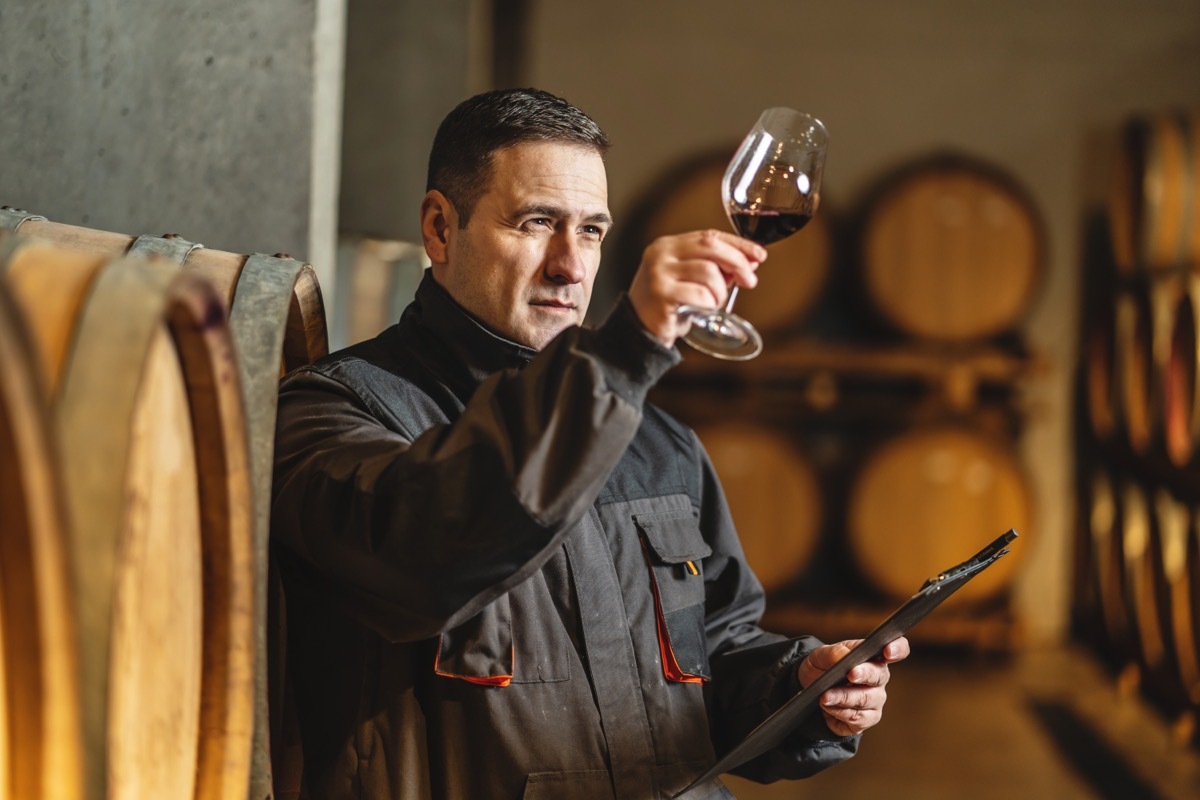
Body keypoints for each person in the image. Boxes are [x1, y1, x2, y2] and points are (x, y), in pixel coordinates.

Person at [271, 87, 909, 800]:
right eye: (537, 222)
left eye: (593, 231)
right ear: (440, 227)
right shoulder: (335, 410)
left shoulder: (655, 439)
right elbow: (431, 552)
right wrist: (625, 352)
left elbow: (720, 657)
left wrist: (803, 689)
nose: (570, 266)